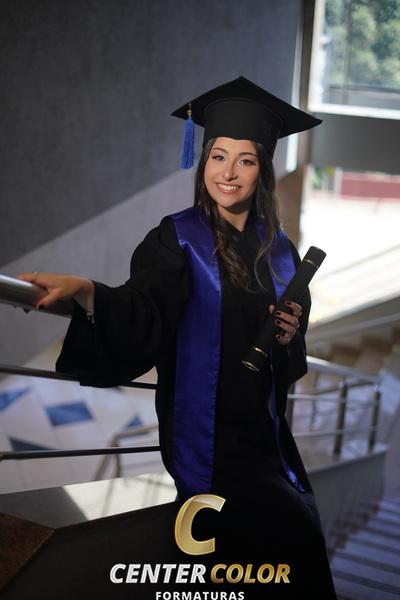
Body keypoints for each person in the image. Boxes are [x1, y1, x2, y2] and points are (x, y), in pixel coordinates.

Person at [18, 77, 337, 598]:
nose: (227, 173)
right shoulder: (178, 238)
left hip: (267, 434)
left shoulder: (279, 249)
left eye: (245, 160)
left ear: (263, 170)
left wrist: (288, 335)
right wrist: (88, 292)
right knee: (260, 546)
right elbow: (144, 308)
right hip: (208, 438)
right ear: (203, 161)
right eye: (217, 156)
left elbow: (290, 359)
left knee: (299, 538)